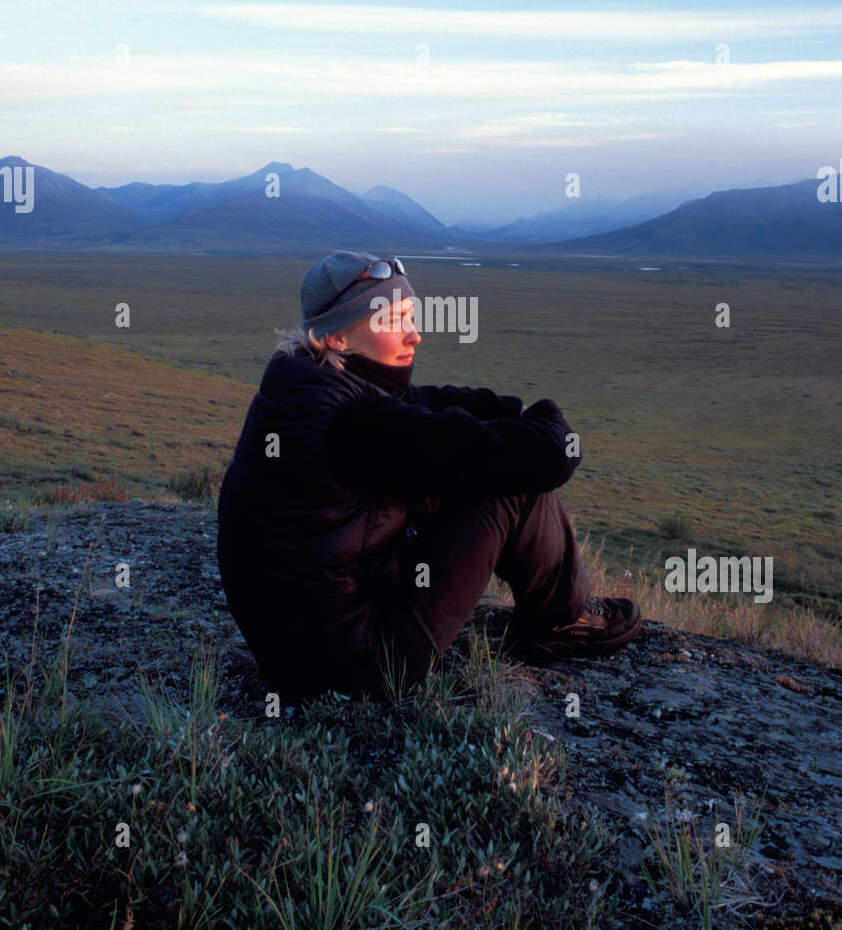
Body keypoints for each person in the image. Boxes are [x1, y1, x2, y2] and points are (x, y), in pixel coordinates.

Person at [216, 250, 641, 703]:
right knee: (507, 484)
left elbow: (425, 404)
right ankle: (562, 620)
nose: (414, 335)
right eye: (394, 319)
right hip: (360, 668)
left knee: (456, 471)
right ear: (338, 336)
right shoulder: (359, 424)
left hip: (296, 654)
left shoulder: (305, 386)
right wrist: (546, 419)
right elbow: (547, 458)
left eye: (411, 316)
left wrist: (508, 410)